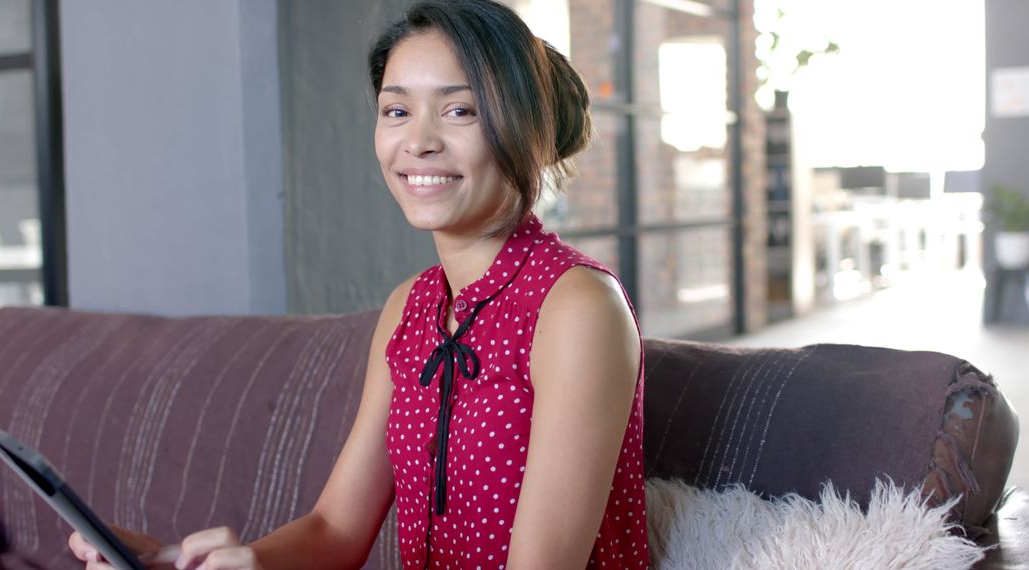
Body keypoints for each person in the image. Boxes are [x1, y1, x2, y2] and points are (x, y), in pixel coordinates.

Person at [69, 0, 648, 568]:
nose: (417, 141)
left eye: (460, 111)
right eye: (396, 111)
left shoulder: (577, 306)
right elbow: (335, 530)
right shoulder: (411, 308)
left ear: (531, 132)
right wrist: (180, 560)